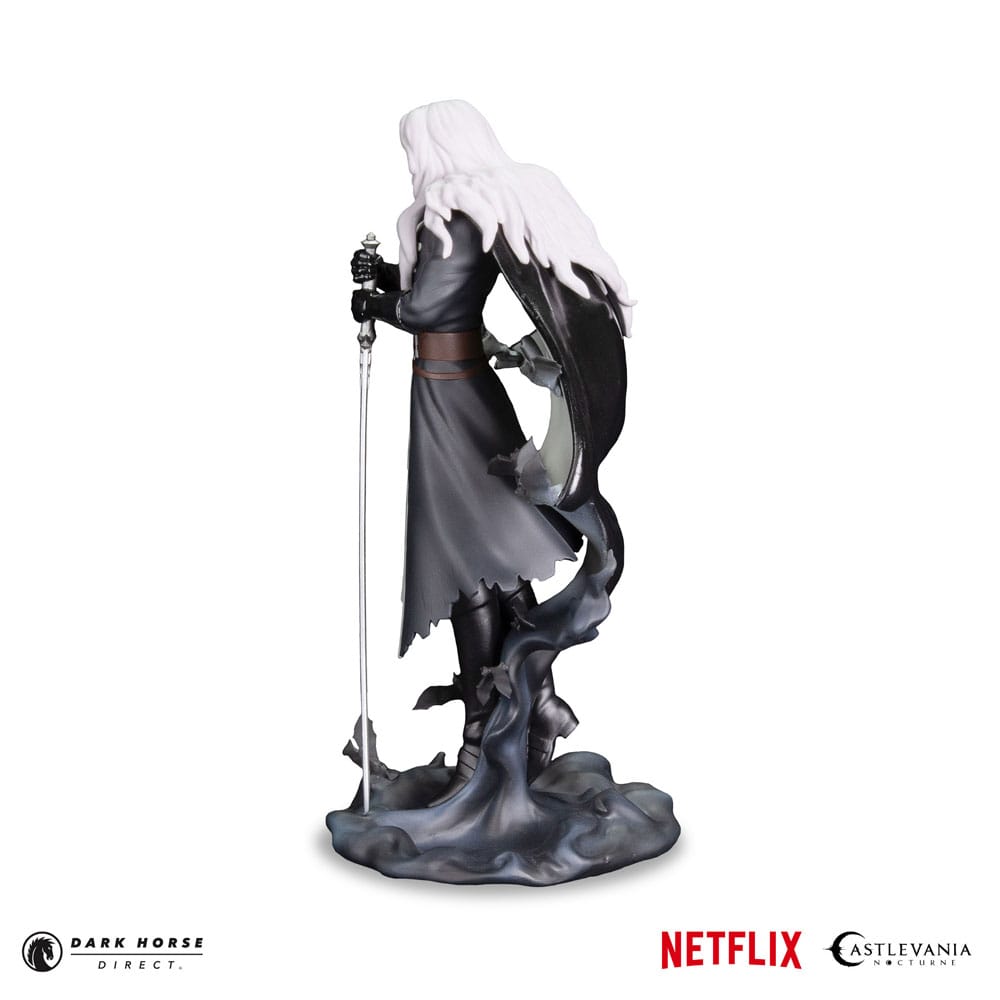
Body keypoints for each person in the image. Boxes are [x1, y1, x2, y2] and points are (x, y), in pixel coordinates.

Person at [350, 100, 632, 801]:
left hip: (450, 398)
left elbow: (428, 310)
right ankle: (539, 702)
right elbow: (434, 293)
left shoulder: (451, 214)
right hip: (459, 389)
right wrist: (382, 274)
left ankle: (481, 740)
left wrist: (373, 305)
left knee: (467, 566)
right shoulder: (475, 211)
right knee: (492, 559)